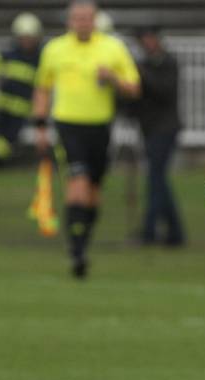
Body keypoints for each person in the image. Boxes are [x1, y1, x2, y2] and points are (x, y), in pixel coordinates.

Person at [32, 0, 140, 278]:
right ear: (70, 21)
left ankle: (83, 239)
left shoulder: (112, 48)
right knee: (77, 183)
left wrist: (113, 78)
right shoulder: (55, 49)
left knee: (93, 191)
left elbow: (134, 88)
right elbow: (43, 88)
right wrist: (41, 126)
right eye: (77, 18)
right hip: (68, 125)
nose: (82, 22)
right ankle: (77, 252)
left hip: (100, 127)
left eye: (87, 18)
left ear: (95, 20)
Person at [132, 26, 186, 247]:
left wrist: (141, 74)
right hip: (150, 128)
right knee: (158, 180)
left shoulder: (168, 63)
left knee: (156, 179)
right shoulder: (144, 65)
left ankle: (150, 231)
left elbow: (163, 90)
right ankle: (174, 233)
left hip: (165, 129)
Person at [0, 13, 43, 168]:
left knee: (8, 138)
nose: (27, 41)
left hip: (21, 109)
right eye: (24, 37)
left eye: (30, 37)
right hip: (2, 105)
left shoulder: (40, 57)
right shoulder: (7, 54)